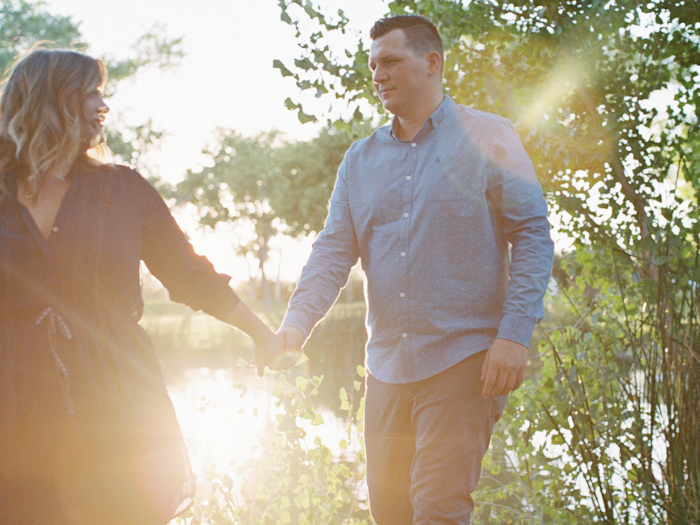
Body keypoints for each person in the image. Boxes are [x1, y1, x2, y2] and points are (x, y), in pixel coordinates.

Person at [277, 14, 555, 524]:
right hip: (385, 366)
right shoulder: (358, 161)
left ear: (432, 62)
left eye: (390, 61)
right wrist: (296, 325)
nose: (378, 74)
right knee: (390, 513)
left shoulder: (490, 136)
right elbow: (333, 251)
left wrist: (515, 335)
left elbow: (533, 234)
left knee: (438, 509)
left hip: (463, 360)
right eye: (372, 65)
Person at [0, 48, 284, 525]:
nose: (101, 106)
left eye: (102, 94)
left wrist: (264, 334)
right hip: (16, 406)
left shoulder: (123, 190)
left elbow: (190, 273)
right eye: (90, 93)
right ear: (51, 99)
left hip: (116, 399)